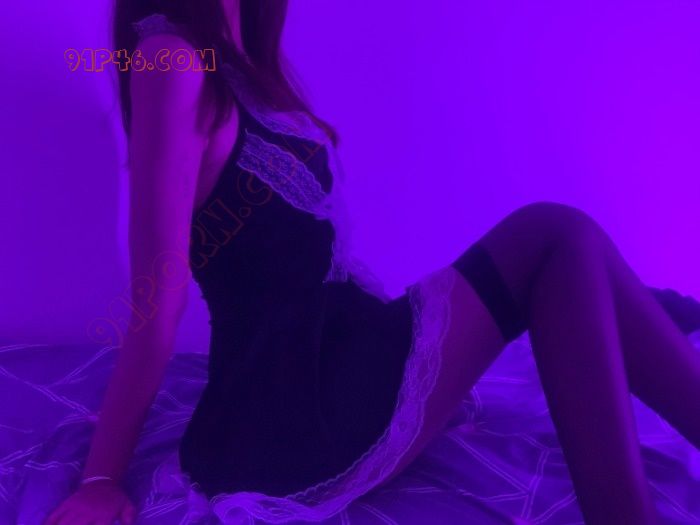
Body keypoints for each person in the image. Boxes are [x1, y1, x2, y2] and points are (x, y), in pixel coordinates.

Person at [46, 1, 700, 524]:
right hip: (294, 411)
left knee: (568, 246)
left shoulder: (238, 48)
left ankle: (653, 317)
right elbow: (157, 302)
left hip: (343, 347)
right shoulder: (171, 59)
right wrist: (100, 477)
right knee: (554, 235)